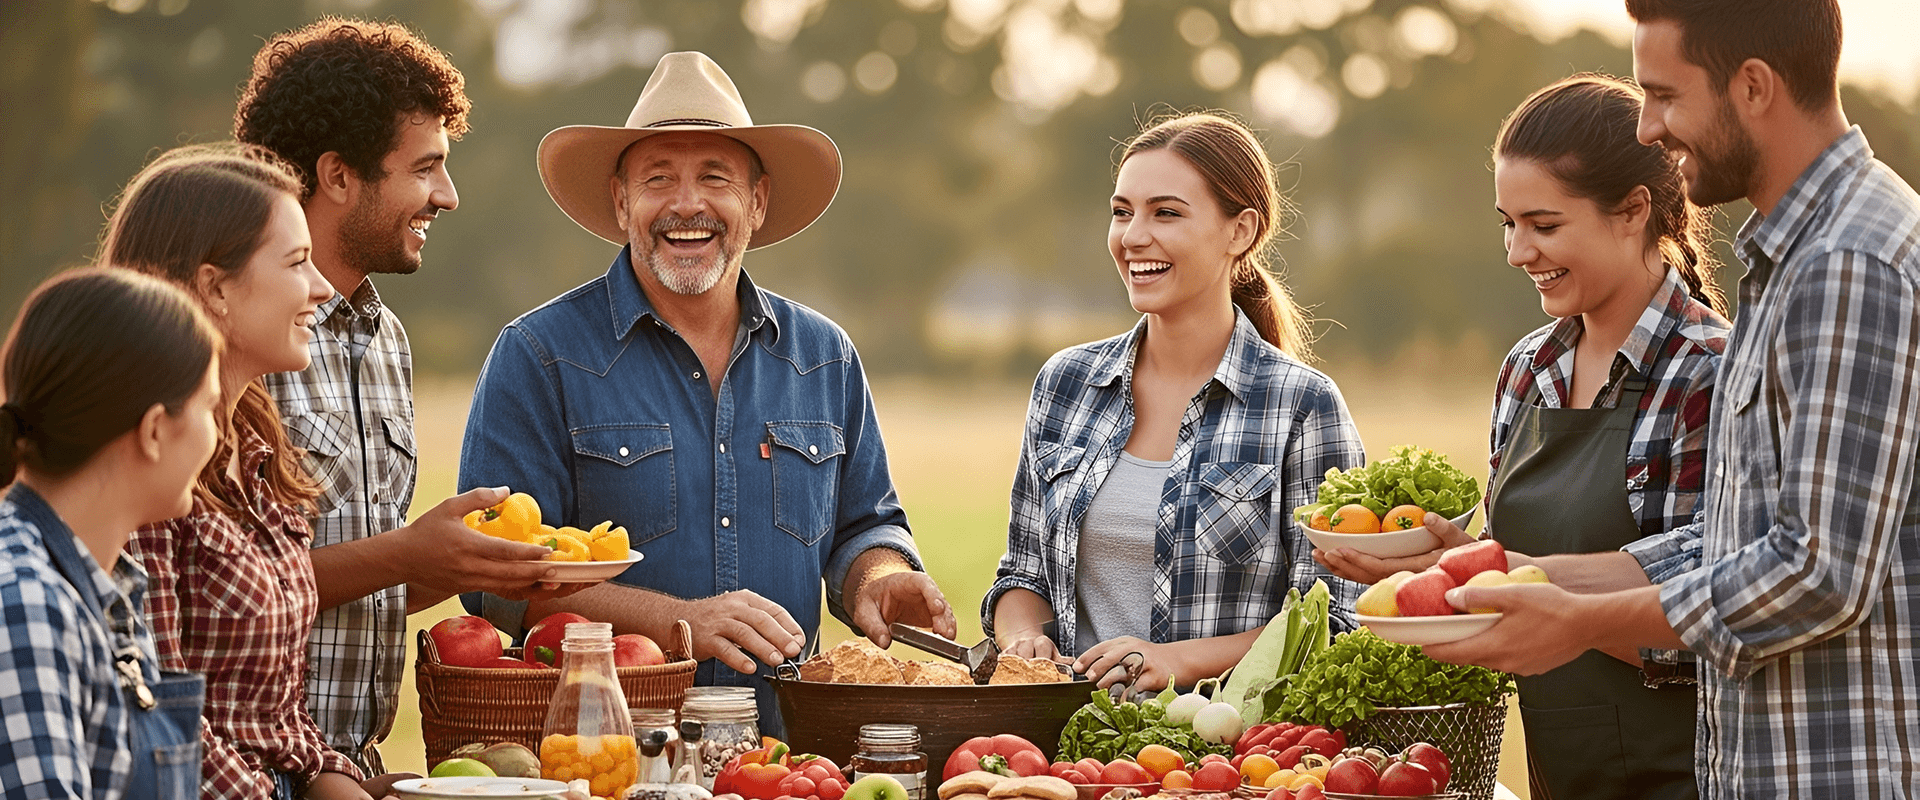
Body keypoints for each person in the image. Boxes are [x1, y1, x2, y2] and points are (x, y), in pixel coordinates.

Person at [1426, 1, 1920, 796]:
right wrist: (1511, 574)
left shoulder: (1847, 264)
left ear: (1752, 86)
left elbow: (1817, 573)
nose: (1648, 127)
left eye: (1663, 95)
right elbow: (1725, 544)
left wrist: (1580, 622)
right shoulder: (1791, 262)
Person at [458, 51, 955, 730]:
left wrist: (880, 578)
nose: (687, 204)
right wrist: (680, 621)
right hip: (604, 750)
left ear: (757, 201)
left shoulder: (824, 357)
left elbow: (864, 526)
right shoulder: (539, 355)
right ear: (622, 201)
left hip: (784, 758)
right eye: (658, 178)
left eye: (714, 178)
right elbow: (494, 582)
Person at [1318, 75, 1728, 800]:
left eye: (1543, 225)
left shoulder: (1709, 372)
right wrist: (1449, 579)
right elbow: (1514, 569)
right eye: (1507, 223)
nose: (1516, 251)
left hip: (1690, 776)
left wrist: (1533, 604)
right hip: (1558, 775)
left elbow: (1715, 620)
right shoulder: (1527, 370)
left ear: (1633, 211)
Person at [231, 18, 577, 774]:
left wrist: (461, 565)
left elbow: (367, 585)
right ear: (338, 176)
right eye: (425, 169)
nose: (446, 196)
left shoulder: (386, 339)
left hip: (351, 765)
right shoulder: (236, 336)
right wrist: (408, 551)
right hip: (248, 767)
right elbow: (225, 590)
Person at [983, 112, 1366, 692]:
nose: (1133, 236)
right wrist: (1022, 639)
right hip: (1069, 739)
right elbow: (1023, 574)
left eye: (1165, 213)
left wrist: (1174, 662)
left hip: (1228, 741)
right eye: (1122, 212)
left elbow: (1331, 622)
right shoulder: (1065, 384)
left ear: (1240, 232)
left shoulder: (1303, 406)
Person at [107, 145, 398, 799]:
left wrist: (341, 781)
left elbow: (276, 718)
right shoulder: (148, 471)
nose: (321, 288)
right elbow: (159, 714)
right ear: (215, 288)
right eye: (297, 263)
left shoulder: (259, 449)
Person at [0, 268, 219, 799]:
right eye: (210, 408)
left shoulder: (103, 586)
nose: (218, 434)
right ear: (154, 430)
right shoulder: (27, 600)